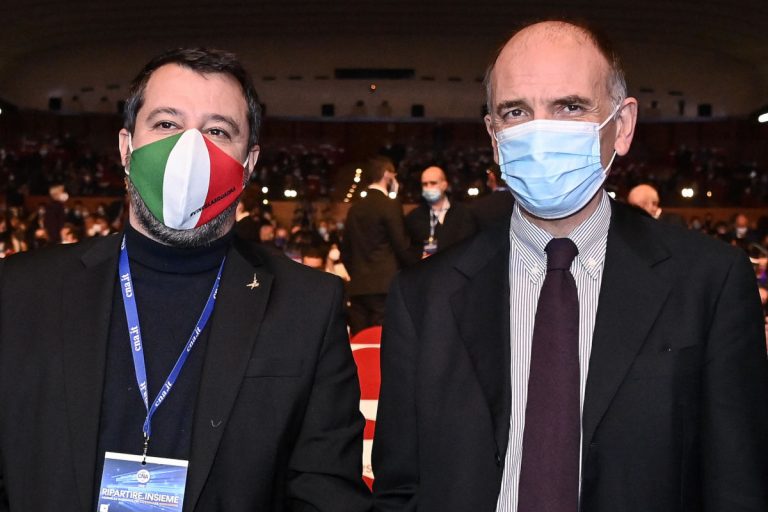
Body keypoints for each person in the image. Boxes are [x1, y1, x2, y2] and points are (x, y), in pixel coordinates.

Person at [372, 20, 768, 512]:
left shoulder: (710, 282)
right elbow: (400, 489)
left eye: (570, 107)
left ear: (622, 125)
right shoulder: (422, 297)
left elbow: (738, 485)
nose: (540, 132)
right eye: (516, 112)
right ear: (494, 137)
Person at [0, 48, 370, 512]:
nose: (189, 149)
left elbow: (325, 493)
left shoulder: (306, 306)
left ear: (249, 162)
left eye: (217, 131)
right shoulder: (19, 292)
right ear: (126, 147)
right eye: (166, 123)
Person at [342, 156, 417, 334]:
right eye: (394, 175)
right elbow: (401, 245)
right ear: (387, 174)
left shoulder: (354, 209)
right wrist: (417, 267)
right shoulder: (389, 205)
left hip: (358, 287)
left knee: (359, 343)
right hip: (384, 287)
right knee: (382, 343)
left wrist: (358, 273)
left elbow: (345, 251)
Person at [404, 166, 476, 258]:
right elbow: (410, 249)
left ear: (444, 185)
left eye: (433, 183)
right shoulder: (414, 217)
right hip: (428, 266)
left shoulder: (464, 212)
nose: (428, 187)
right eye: (425, 184)